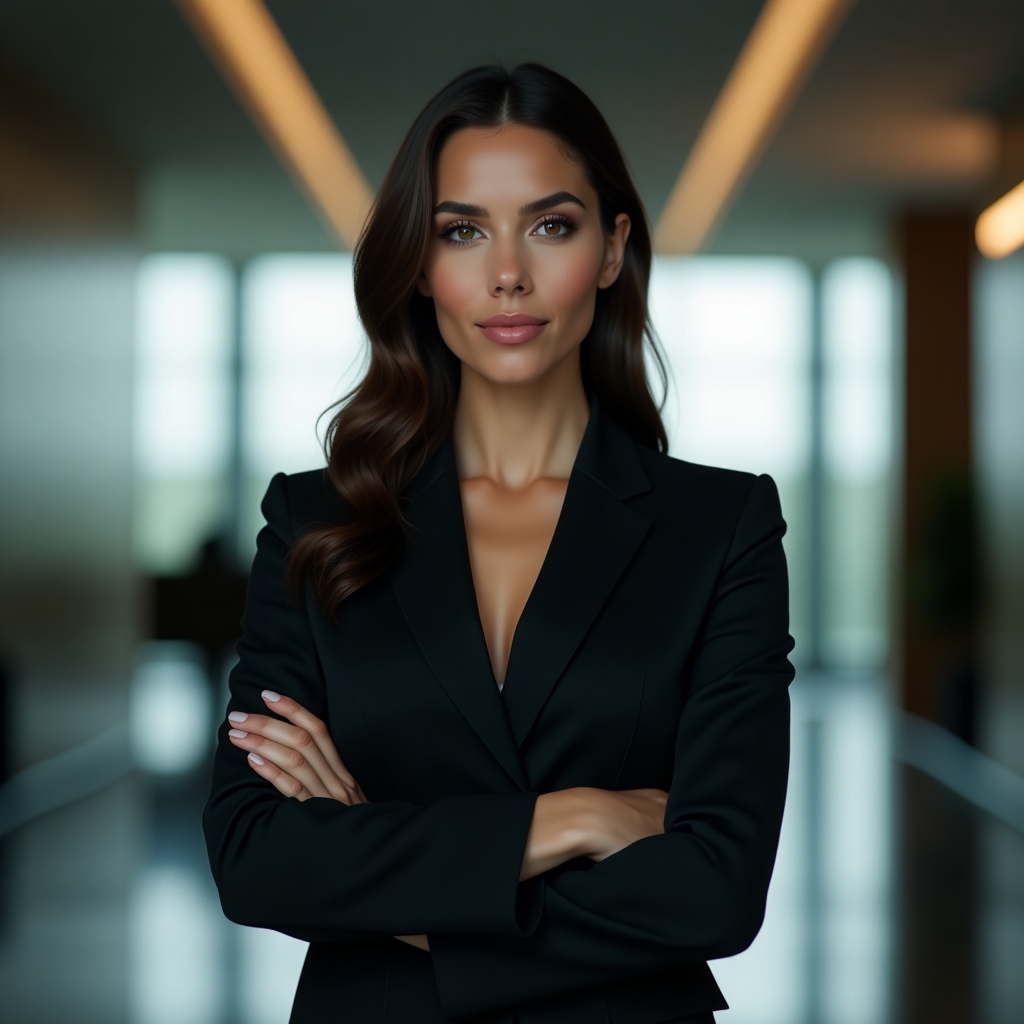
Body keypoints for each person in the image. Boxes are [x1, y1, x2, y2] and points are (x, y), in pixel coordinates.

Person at [204, 64, 793, 1024]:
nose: (508, 272)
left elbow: (718, 889)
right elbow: (255, 859)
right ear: (419, 263)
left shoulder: (720, 528)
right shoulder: (316, 524)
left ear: (611, 249)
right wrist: (576, 819)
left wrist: (379, 864)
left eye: (551, 225)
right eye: (463, 230)